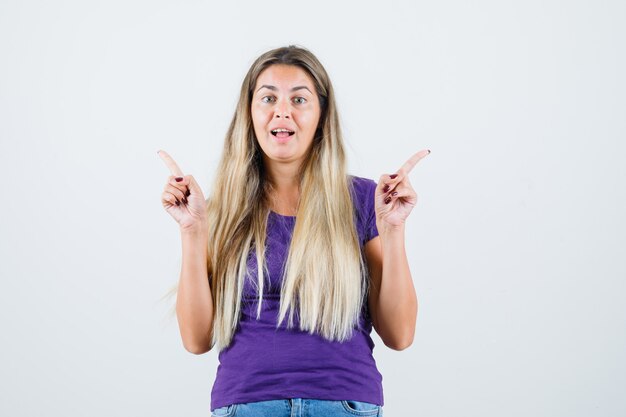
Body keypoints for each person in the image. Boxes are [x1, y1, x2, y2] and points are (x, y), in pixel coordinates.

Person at [158, 45, 429, 417]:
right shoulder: (218, 211)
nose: (282, 110)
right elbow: (196, 339)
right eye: (268, 97)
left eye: (299, 99)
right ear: (250, 113)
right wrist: (192, 231)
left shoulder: (366, 200)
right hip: (247, 405)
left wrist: (393, 229)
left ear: (321, 115)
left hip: (344, 405)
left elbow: (399, 335)